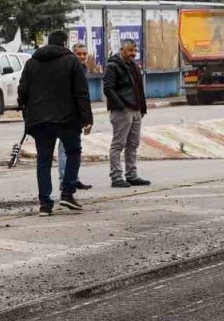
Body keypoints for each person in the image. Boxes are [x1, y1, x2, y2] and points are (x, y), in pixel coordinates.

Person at [18, 30, 93, 215]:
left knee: (43, 160)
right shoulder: (72, 61)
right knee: (74, 152)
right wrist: (86, 119)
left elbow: (22, 92)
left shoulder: (32, 63)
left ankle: (45, 204)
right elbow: (81, 93)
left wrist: (29, 112)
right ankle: (67, 194)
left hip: (39, 121)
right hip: (67, 119)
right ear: (65, 43)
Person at [103, 38, 150, 188]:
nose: (133, 53)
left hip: (135, 110)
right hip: (122, 111)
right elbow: (108, 88)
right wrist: (121, 106)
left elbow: (139, 89)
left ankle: (131, 175)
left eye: (135, 50)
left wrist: (142, 108)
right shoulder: (113, 66)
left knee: (133, 144)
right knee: (118, 145)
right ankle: (116, 177)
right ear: (121, 50)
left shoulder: (134, 67)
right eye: (130, 50)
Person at [57, 42, 93, 192]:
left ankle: (73, 178)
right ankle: (65, 179)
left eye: (84, 54)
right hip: (66, 115)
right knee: (64, 149)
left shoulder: (83, 69)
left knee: (74, 149)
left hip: (76, 115)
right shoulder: (68, 69)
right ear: (73, 54)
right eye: (79, 54)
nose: (82, 57)